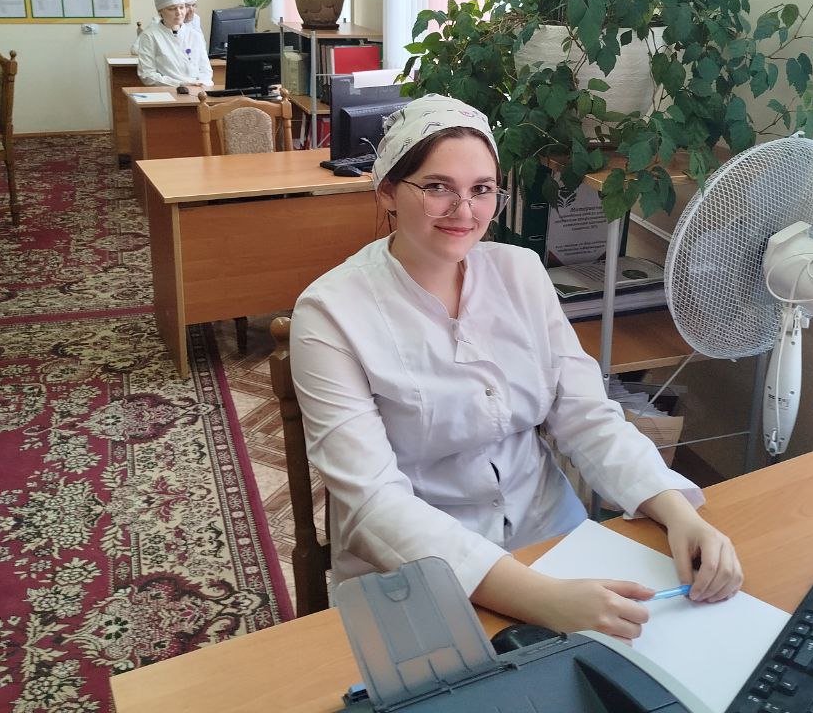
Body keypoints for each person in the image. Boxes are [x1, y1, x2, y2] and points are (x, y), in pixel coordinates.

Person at [290, 94, 743, 643]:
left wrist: (678, 513)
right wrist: (541, 599)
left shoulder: (521, 274)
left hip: (551, 537)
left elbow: (586, 417)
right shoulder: (330, 314)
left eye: (482, 189)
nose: (465, 211)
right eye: (437, 187)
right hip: (420, 569)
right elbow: (373, 504)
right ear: (387, 191)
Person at [135, 0, 211, 88]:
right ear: (160, 11)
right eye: (172, 9)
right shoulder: (150, 36)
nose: (179, 13)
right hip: (168, 91)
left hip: (198, 90)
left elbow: (206, 70)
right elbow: (147, 75)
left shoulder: (195, 35)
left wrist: (202, 83)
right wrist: (180, 84)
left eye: (182, 7)